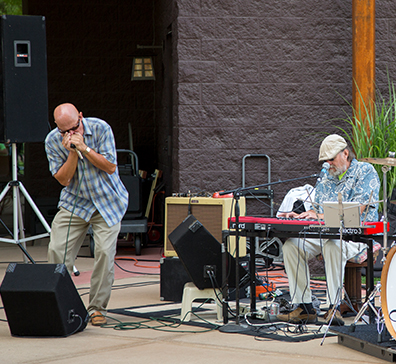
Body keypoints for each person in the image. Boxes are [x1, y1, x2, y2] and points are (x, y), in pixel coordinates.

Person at [277, 134, 380, 326]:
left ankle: (335, 307)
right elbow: (317, 209)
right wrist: (302, 214)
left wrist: (320, 216)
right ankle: (304, 307)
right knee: (291, 246)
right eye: (325, 160)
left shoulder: (365, 171)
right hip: (326, 233)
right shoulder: (326, 174)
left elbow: (357, 209)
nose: (328, 164)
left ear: (345, 154)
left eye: (331, 159)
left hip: (356, 238)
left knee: (334, 244)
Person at [45, 103, 128, 326]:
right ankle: (62, 304)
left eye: (74, 128)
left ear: (81, 117)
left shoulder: (101, 129)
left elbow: (110, 166)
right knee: (56, 250)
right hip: (75, 202)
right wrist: (72, 152)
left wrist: (85, 149)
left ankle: (97, 308)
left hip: (107, 201)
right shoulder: (52, 141)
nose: (70, 134)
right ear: (57, 128)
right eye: (64, 131)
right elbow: (63, 180)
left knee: (103, 252)